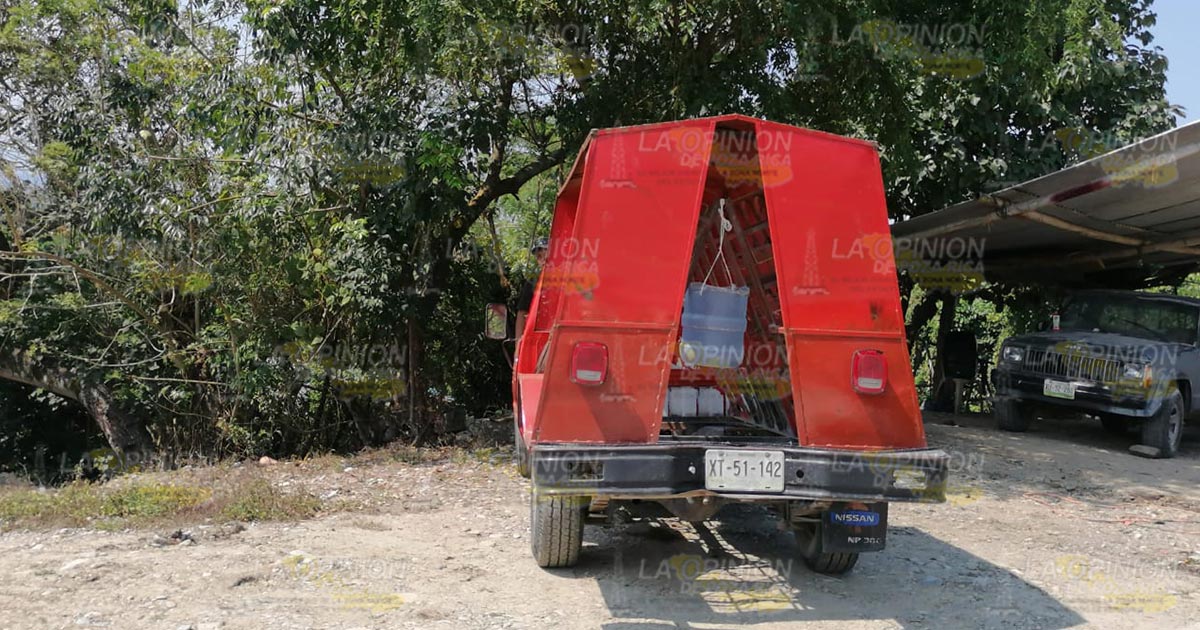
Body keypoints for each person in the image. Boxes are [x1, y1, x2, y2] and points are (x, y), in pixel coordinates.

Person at [516, 238, 549, 342]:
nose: (543, 259)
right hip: (536, 339)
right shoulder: (533, 282)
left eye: (546, 254)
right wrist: (518, 344)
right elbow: (522, 313)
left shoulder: (566, 280)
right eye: (539, 256)